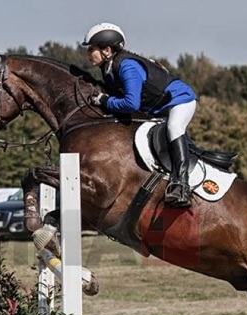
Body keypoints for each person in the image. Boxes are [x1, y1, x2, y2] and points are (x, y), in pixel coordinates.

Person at [83, 22, 197, 208]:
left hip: (179, 101)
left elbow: (130, 103)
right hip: (155, 109)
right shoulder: (108, 68)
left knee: (174, 128)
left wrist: (104, 101)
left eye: (92, 49)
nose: (88, 54)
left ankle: (181, 185)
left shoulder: (127, 66)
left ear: (107, 50)